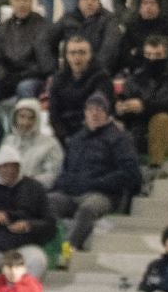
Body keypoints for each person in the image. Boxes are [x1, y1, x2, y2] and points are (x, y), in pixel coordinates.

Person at [49, 93, 142, 252]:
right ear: (85, 113)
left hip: (104, 194)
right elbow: (65, 170)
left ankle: (68, 251)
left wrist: (95, 183)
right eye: (91, 109)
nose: (95, 113)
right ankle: (49, 249)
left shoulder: (120, 139)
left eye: (100, 109)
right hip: (73, 193)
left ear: (107, 113)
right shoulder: (76, 139)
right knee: (46, 202)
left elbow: (130, 174)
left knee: (88, 208)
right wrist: (64, 183)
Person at [0, 144, 54, 279]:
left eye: (14, 167)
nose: (10, 171)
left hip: (25, 245)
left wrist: (28, 225)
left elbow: (49, 223)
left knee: (38, 262)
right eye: (5, 166)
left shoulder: (34, 187)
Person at [117, 33, 168, 165]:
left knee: (160, 119)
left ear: (166, 54)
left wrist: (144, 106)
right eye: (148, 54)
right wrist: (122, 107)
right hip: (139, 132)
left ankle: (156, 168)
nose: (152, 59)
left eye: (157, 55)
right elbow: (126, 101)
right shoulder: (136, 77)